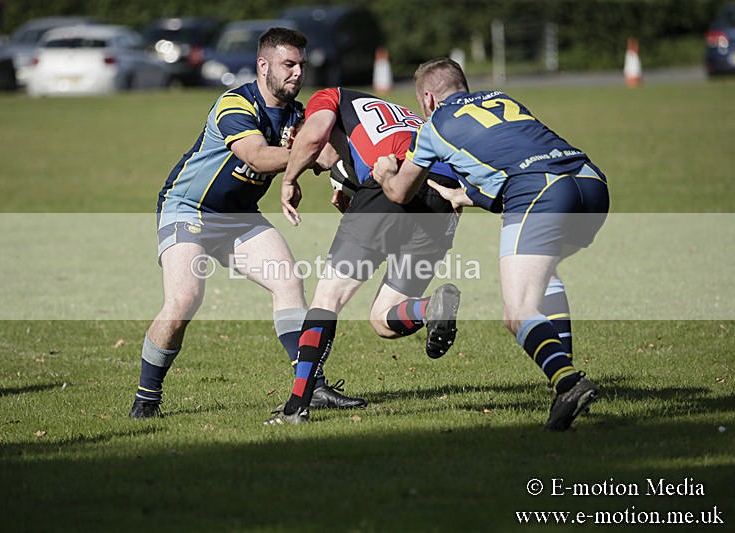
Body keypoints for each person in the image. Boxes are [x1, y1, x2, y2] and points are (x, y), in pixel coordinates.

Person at [128, 28, 365, 418]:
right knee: (184, 300)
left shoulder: (298, 113)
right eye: (288, 64)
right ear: (263, 65)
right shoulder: (235, 104)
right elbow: (256, 157)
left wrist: (349, 176)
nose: (297, 74)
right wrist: (302, 157)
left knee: (288, 280)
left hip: (238, 215)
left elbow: (328, 153)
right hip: (188, 207)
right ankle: (147, 398)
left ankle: (314, 385)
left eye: (301, 65)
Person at [374, 58, 609, 431]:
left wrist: (385, 170)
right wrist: (464, 195)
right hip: (590, 183)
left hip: (542, 192)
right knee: (544, 277)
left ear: (428, 98)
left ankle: (568, 382)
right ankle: (563, 384)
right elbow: (511, 161)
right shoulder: (503, 99)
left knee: (517, 311)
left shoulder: (434, 125)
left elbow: (401, 191)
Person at [264, 87, 462, 425]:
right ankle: (429, 308)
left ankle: (296, 407)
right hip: (442, 197)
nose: (314, 165)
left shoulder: (329, 97)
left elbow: (313, 138)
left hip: (394, 180)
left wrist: (290, 178)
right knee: (383, 320)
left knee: (328, 296)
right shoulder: (392, 115)